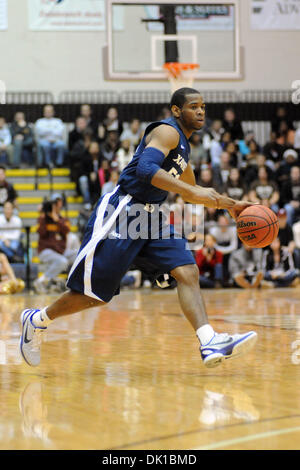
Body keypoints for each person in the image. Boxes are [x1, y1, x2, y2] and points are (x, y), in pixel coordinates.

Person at [20, 87, 257, 369]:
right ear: (177, 111)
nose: (201, 111)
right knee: (94, 296)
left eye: (203, 106)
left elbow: (193, 192)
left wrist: (229, 204)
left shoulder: (183, 148)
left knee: (187, 271)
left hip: (153, 216)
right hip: (125, 210)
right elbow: (146, 170)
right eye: (194, 106)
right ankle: (36, 320)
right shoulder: (166, 132)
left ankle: (209, 341)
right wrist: (189, 189)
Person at [33, 200, 77, 294]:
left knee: (78, 255)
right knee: (62, 261)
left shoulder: (63, 219)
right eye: (54, 206)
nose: (56, 208)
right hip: (46, 250)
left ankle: (75, 283)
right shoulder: (42, 219)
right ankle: (41, 281)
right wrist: (43, 216)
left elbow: (67, 230)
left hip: (61, 250)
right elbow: (41, 232)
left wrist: (57, 220)